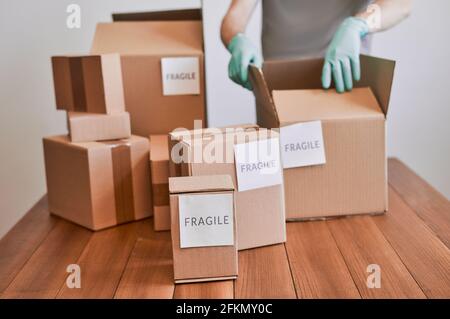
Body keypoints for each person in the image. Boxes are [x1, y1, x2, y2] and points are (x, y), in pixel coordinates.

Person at [221, 0, 412, 92]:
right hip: (279, 89)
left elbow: (400, 5)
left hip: (343, 79)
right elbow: (236, 13)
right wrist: (237, 40)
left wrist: (358, 24)